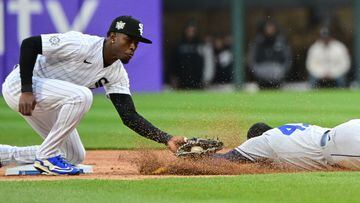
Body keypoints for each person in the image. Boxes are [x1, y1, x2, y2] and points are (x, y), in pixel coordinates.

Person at [1, 16, 185, 175]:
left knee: (74, 156)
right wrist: (26, 89)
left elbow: (129, 116)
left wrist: (166, 138)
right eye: (128, 40)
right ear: (112, 37)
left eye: (137, 43)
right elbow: (29, 44)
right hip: (21, 87)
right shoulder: (81, 44)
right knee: (82, 96)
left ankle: (5, 154)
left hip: (47, 99)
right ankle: (46, 157)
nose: (133, 47)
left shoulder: (117, 73)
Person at [213, 120, 360, 170]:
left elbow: (225, 159)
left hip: (337, 148)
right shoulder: (288, 128)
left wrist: (197, 156)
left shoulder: (264, 141)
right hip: (346, 128)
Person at [249, 20, 292, 89]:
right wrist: (256, 71)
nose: (270, 30)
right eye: (268, 28)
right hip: (261, 71)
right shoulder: (258, 42)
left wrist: (283, 70)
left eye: (272, 29)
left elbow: (288, 59)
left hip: (277, 71)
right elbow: (252, 60)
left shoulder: (281, 41)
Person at [172, 20, 204, 89]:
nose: (190, 33)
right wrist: (174, 77)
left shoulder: (200, 45)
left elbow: (205, 62)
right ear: (185, 31)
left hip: (198, 80)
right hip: (182, 80)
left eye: (193, 31)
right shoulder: (179, 45)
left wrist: (205, 79)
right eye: (189, 30)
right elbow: (173, 62)